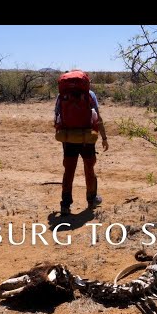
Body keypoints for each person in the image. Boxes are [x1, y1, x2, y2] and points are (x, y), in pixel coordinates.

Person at [54, 74, 108, 216]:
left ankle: (65, 205)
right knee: (89, 168)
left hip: (69, 138)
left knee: (69, 171)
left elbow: (57, 117)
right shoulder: (90, 95)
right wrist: (104, 137)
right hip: (87, 138)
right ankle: (91, 199)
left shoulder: (62, 96)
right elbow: (98, 117)